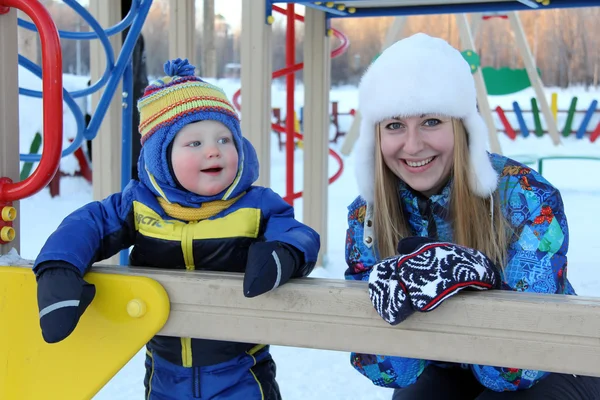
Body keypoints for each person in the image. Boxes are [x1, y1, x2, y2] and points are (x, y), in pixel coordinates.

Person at [33, 58, 320, 400]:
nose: (214, 150)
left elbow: (299, 234)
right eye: (194, 143)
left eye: (225, 139)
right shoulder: (138, 206)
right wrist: (58, 268)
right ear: (161, 157)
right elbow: (88, 224)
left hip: (241, 370)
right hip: (165, 372)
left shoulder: (256, 204)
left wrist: (284, 254)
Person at [344, 33, 600, 399]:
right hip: (445, 363)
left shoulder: (525, 195)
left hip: (553, 367)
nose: (413, 145)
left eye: (431, 121)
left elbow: (516, 370)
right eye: (395, 125)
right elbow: (385, 370)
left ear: (462, 128)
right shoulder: (367, 215)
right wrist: (391, 303)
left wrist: (477, 278)